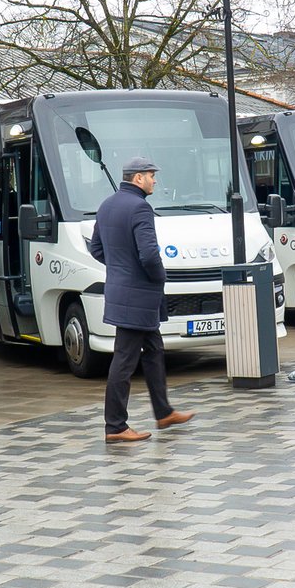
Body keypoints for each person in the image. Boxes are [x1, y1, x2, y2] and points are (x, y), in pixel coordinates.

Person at [90, 156, 193, 443]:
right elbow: (149, 255)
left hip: (123, 292)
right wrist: (159, 276)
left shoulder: (107, 205)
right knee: (124, 359)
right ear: (138, 178)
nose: (155, 180)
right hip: (139, 295)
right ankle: (115, 427)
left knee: (154, 351)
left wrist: (121, 267)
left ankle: (163, 412)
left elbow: (97, 249)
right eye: (151, 175)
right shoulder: (140, 208)